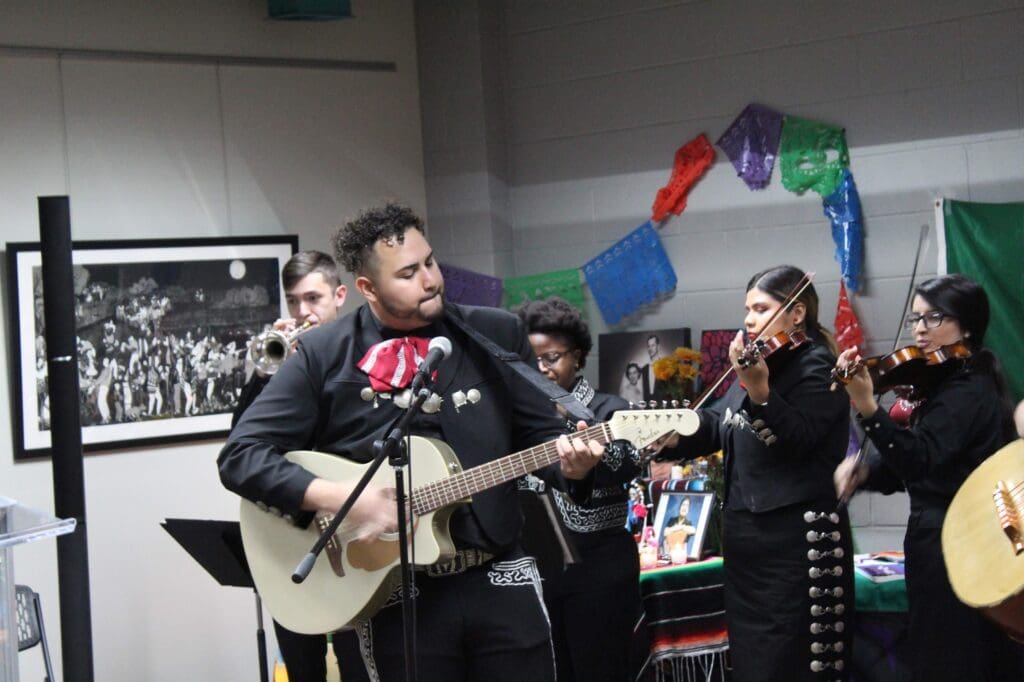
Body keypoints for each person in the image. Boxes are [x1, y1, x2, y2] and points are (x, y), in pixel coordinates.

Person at [219, 203, 602, 682]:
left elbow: (541, 437)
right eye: (408, 273)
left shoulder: (496, 332)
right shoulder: (323, 354)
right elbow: (240, 456)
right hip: (392, 593)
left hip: (498, 576)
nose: (430, 280)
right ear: (366, 288)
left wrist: (573, 467)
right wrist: (343, 500)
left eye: (430, 262)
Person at [655, 265, 854, 681]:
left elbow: (797, 439)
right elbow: (719, 423)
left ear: (796, 313)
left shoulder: (818, 366)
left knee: (788, 665)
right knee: (752, 666)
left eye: (761, 307)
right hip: (748, 545)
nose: (748, 319)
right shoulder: (755, 361)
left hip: (796, 546)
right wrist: (673, 436)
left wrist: (761, 392)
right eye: (746, 308)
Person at [833, 273, 1022, 681]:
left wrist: (869, 409)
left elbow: (919, 459)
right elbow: (917, 468)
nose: (920, 328)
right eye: (916, 318)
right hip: (940, 538)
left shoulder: (967, 389)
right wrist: (866, 472)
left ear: (967, 325)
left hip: (957, 541)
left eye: (934, 317)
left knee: (952, 658)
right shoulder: (945, 384)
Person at [229, 250, 353, 682]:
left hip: (352, 526)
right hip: (291, 528)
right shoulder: (286, 363)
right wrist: (266, 374)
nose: (303, 312)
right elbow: (242, 442)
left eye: (313, 298)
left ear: (340, 295)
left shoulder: (358, 354)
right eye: (294, 301)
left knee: (359, 658)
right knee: (302, 666)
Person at [515, 296, 642, 682]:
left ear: (579, 357)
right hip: (536, 577)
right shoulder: (517, 417)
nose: (541, 369)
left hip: (600, 576)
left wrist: (576, 436)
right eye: (531, 360)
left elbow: (628, 462)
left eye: (551, 358)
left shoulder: (610, 408)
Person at [641, 334, 665, 402]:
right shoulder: (644, 369)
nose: (650, 348)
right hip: (646, 409)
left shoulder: (665, 367)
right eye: (648, 346)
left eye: (653, 345)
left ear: (658, 346)